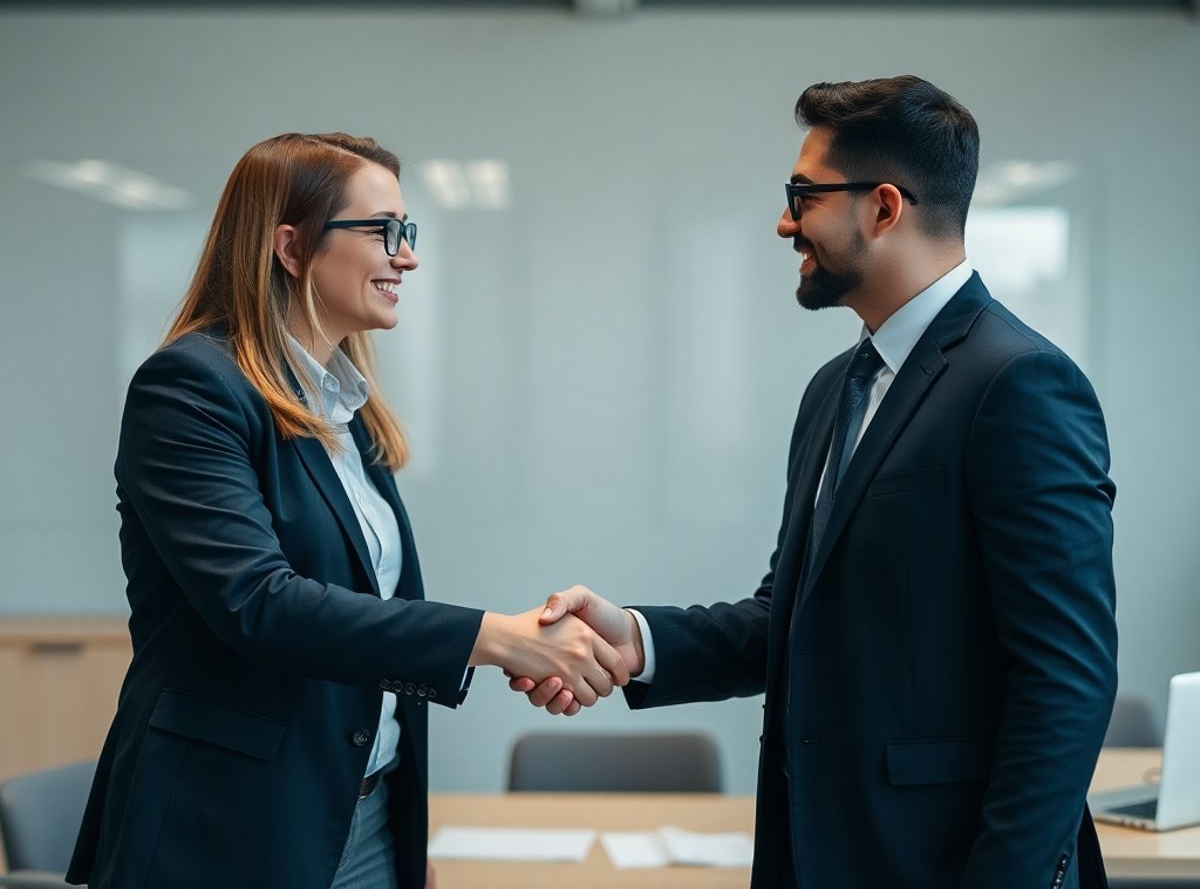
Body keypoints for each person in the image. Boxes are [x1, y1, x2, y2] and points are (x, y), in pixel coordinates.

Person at [512, 76, 1118, 889]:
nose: (784, 221)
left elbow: (1067, 679)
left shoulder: (1020, 383)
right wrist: (636, 639)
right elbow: (791, 618)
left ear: (884, 207)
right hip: (820, 855)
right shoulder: (838, 388)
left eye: (803, 195)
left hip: (945, 864)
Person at [66, 132, 630, 889]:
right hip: (227, 831)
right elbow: (261, 605)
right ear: (291, 248)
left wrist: (395, 830)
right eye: (383, 231)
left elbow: (364, 619)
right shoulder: (190, 388)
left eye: (409, 231)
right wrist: (497, 638)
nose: (407, 257)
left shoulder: (344, 406)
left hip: (356, 818)